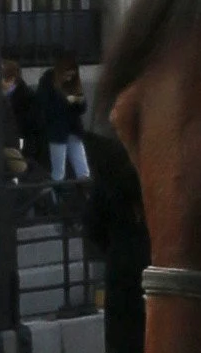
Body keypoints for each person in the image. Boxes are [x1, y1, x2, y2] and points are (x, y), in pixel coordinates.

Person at [79, 127, 149, 353]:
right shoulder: (153, 176)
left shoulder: (108, 181)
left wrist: (112, 248)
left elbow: (92, 224)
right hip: (154, 266)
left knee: (122, 337)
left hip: (120, 268)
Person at [33, 56, 90, 182]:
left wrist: (78, 101)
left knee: (83, 169)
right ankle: (55, 198)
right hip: (57, 131)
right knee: (59, 171)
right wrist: (66, 100)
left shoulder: (72, 84)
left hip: (73, 130)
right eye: (67, 75)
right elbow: (44, 105)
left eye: (72, 76)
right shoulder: (47, 84)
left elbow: (82, 108)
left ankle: (85, 193)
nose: (69, 78)